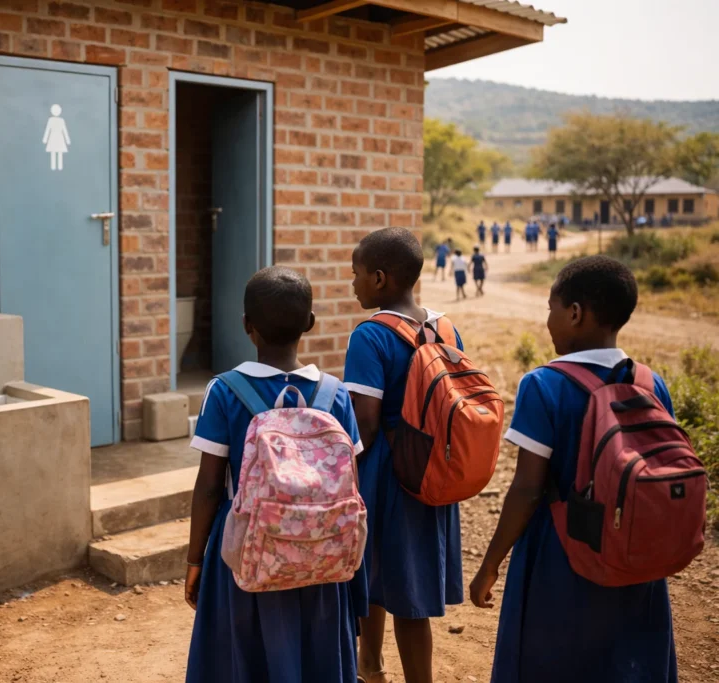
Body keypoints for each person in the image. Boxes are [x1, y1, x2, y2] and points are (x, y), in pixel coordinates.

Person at [471, 256, 678, 683]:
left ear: (575, 312)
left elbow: (528, 490)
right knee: (628, 662)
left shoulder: (543, 384)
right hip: (635, 551)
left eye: (550, 308)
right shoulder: (650, 382)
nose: (547, 320)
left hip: (561, 557)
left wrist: (490, 564)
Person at [185, 266, 363, 683]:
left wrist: (196, 559)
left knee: (242, 659)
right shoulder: (335, 394)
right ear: (310, 323)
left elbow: (210, 486)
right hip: (322, 558)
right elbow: (352, 478)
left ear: (247, 326)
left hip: (249, 555)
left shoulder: (225, 391)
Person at [347, 228, 465, 683]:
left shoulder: (370, 336)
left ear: (379, 278)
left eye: (356, 274)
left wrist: (342, 475)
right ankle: (377, 669)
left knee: (380, 578)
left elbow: (367, 424)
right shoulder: (447, 325)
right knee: (405, 581)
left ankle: (370, 669)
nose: (352, 283)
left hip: (386, 476)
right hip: (433, 471)